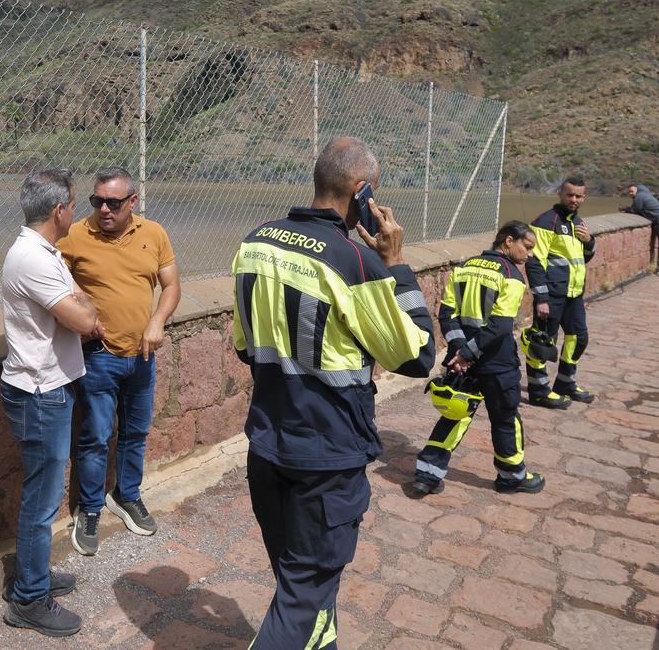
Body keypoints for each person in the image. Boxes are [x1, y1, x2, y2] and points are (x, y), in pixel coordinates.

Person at [232, 137, 435, 650]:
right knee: (305, 589)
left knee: (298, 578)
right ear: (363, 191)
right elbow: (416, 357)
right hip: (326, 458)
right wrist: (397, 262)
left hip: (268, 444)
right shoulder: (355, 261)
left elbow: (244, 347)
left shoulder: (255, 242)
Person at [0, 168, 102, 637]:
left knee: (44, 495)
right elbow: (83, 318)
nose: (77, 213)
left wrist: (83, 305)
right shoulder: (35, 259)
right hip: (40, 395)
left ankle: (31, 578)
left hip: (45, 390)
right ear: (59, 211)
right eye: (75, 205)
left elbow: (80, 307)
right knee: (42, 503)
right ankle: (27, 600)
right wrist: (86, 309)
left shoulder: (43, 252)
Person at [58, 166, 181, 556]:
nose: (104, 210)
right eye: (97, 201)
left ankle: (127, 495)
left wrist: (158, 321)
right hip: (99, 357)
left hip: (142, 357)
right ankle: (90, 508)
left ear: (133, 202)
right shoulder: (77, 233)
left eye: (113, 202)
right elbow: (50, 273)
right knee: (95, 436)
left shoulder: (154, 234)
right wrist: (81, 297)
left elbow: (172, 284)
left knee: (135, 432)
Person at [411, 221, 546, 496]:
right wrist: (469, 352)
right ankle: (511, 477)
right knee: (505, 418)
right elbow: (500, 326)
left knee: (454, 416)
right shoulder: (511, 275)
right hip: (497, 361)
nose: (529, 254)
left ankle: (427, 475)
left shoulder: (465, 267)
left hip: (462, 362)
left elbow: (447, 314)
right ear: (509, 241)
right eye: (527, 246)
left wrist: (461, 350)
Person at [523, 175, 596, 408]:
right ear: (560, 194)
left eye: (578, 195)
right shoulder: (546, 222)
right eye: (569, 194)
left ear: (583, 197)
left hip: (573, 295)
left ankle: (565, 383)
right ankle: (538, 390)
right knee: (542, 342)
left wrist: (590, 242)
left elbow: (582, 258)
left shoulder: (578, 223)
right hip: (552, 296)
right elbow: (535, 263)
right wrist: (541, 298)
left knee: (579, 338)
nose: (573, 199)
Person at [622, 183, 659, 277]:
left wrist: (626, 209)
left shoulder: (640, 196)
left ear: (637, 190)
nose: (630, 193)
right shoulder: (646, 195)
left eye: (632, 191)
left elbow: (635, 210)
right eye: (629, 192)